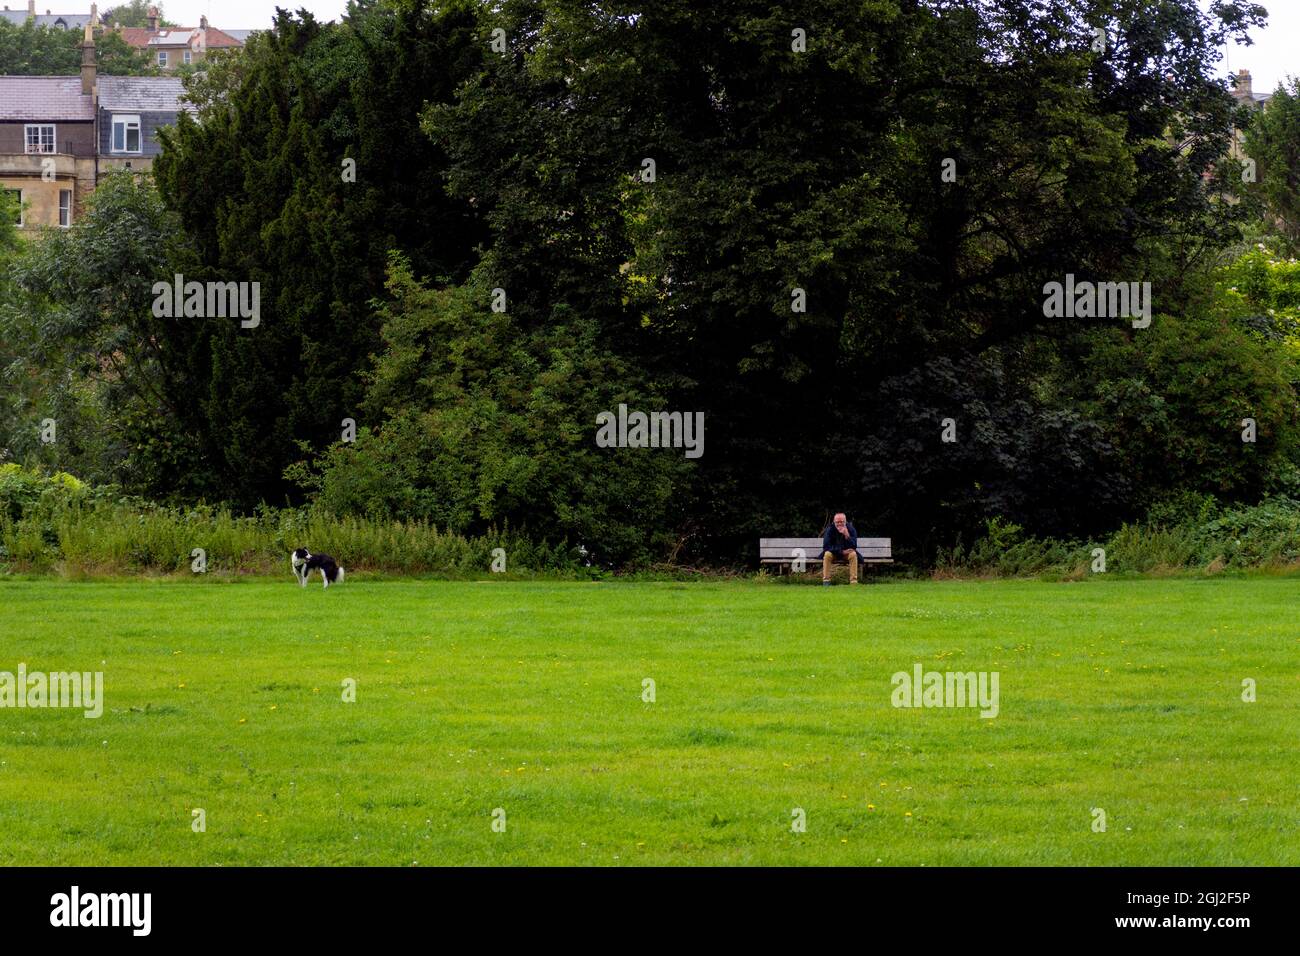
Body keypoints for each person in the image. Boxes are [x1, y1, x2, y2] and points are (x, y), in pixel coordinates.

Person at [821, 512, 859, 586]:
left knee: (853, 554)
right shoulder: (830, 529)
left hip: (847, 554)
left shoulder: (851, 529)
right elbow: (826, 546)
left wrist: (847, 535)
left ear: (845, 521)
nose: (839, 524)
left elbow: (854, 546)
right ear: (834, 522)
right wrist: (841, 551)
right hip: (834, 553)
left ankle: (853, 582)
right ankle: (826, 581)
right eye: (837, 522)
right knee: (827, 554)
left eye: (841, 522)